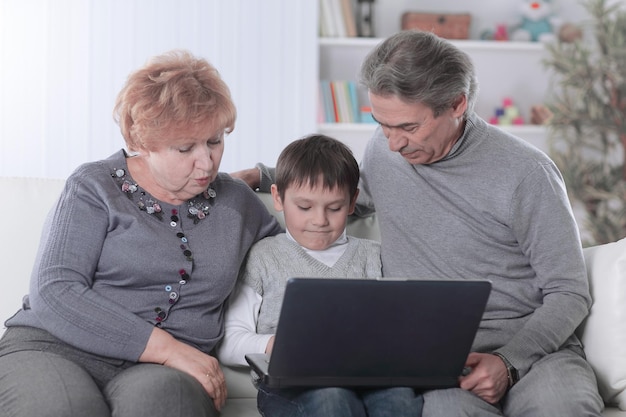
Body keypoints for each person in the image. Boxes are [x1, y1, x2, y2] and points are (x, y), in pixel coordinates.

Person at [231, 30, 604, 416]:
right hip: (438, 359)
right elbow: (342, 194)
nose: (394, 143)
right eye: (382, 124)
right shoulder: (386, 150)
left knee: (565, 408)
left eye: (408, 128)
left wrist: (510, 361)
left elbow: (569, 291)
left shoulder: (527, 173)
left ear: (456, 104)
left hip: (535, 349)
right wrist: (263, 176)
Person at [0, 50, 282, 417]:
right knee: (64, 408)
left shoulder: (237, 203)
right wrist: (167, 348)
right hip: (54, 348)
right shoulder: (94, 186)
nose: (207, 161)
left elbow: (319, 208)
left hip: (163, 374)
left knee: (165, 406)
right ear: (144, 142)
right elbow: (55, 290)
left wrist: (266, 175)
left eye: (214, 141)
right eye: (185, 148)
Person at [218, 134, 423, 417]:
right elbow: (230, 341)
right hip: (289, 385)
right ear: (278, 198)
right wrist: (274, 344)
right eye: (304, 207)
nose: (319, 220)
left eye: (334, 208)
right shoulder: (263, 257)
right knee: (331, 400)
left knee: (400, 399)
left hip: (368, 380)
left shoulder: (374, 256)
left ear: (352, 203)